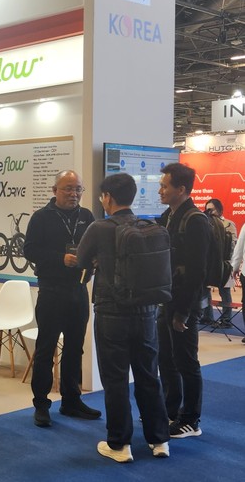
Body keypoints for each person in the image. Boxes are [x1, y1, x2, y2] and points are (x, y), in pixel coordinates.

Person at [76, 173, 170, 462]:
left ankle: (119, 445)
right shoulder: (148, 227)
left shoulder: (99, 227)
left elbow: (80, 260)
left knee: (115, 380)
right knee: (148, 376)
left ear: (108, 198)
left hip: (112, 312)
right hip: (147, 314)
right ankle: (159, 440)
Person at [23, 170, 99, 427]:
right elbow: (29, 250)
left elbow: (95, 247)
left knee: (75, 348)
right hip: (51, 290)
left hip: (79, 290)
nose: (73, 194)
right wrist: (60, 258)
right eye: (68, 188)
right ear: (55, 190)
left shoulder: (87, 216)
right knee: (46, 349)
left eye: (78, 189)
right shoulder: (41, 217)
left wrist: (95, 259)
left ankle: (71, 400)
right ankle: (41, 404)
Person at [157, 162, 211, 439]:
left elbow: (197, 272)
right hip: (167, 299)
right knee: (166, 358)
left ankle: (191, 420)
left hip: (185, 304)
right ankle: (171, 410)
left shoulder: (195, 221)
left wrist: (183, 313)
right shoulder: (168, 216)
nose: (160, 190)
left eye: (164, 186)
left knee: (187, 362)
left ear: (181, 189)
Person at [200, 198, 237, 326]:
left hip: (223, 263)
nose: (209, 212)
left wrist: (230, 263)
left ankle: (226, 319)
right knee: (205, 291)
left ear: (220, 210)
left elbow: (233, 245)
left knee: (224, 291)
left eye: (212, 209)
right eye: (207, 209)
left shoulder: (228, 224)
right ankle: (207, 316)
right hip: (208, 263)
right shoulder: (205, 224)